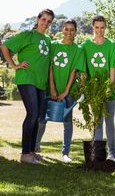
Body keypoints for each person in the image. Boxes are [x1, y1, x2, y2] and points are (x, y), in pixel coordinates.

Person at [0, 9, 55, 164]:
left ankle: (31, 151)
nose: (46, 23)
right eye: (43, 19)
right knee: (32, 113)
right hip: (27, 78)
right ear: (38, 19)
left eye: (49, 21)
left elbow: (48, 64)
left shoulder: (48, 41)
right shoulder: (27, 35)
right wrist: (15, 65)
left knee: (37, 117)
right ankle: (25, 154)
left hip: (40, 82)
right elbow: (5, 47)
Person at [35, 19, 85, 163]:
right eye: (66, 29)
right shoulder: (54, 45)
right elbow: (50, 67)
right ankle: (35, 147)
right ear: (62, 30)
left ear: (75, 31)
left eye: (72, 30)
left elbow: (73, 71)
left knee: (67, 122)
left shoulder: (78, 49)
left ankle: (65, 153)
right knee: (42, 119)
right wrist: (52, 88)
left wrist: (65, 92)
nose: (69, 32)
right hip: (49, 88)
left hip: (68, 91)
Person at [81, 15, 115, 162]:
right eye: (97, 27)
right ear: (92, 27)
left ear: (105, 27)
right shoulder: (85, 46)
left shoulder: (111, 45)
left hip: (109, 90)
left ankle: (112, 153)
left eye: (102, 27)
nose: (99, 30)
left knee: (109, 122)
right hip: (94, 91)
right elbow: (84, 71)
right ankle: (97, 155)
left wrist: (108, 89)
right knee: (97, 121)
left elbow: (112, 70)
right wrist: (84, 89)